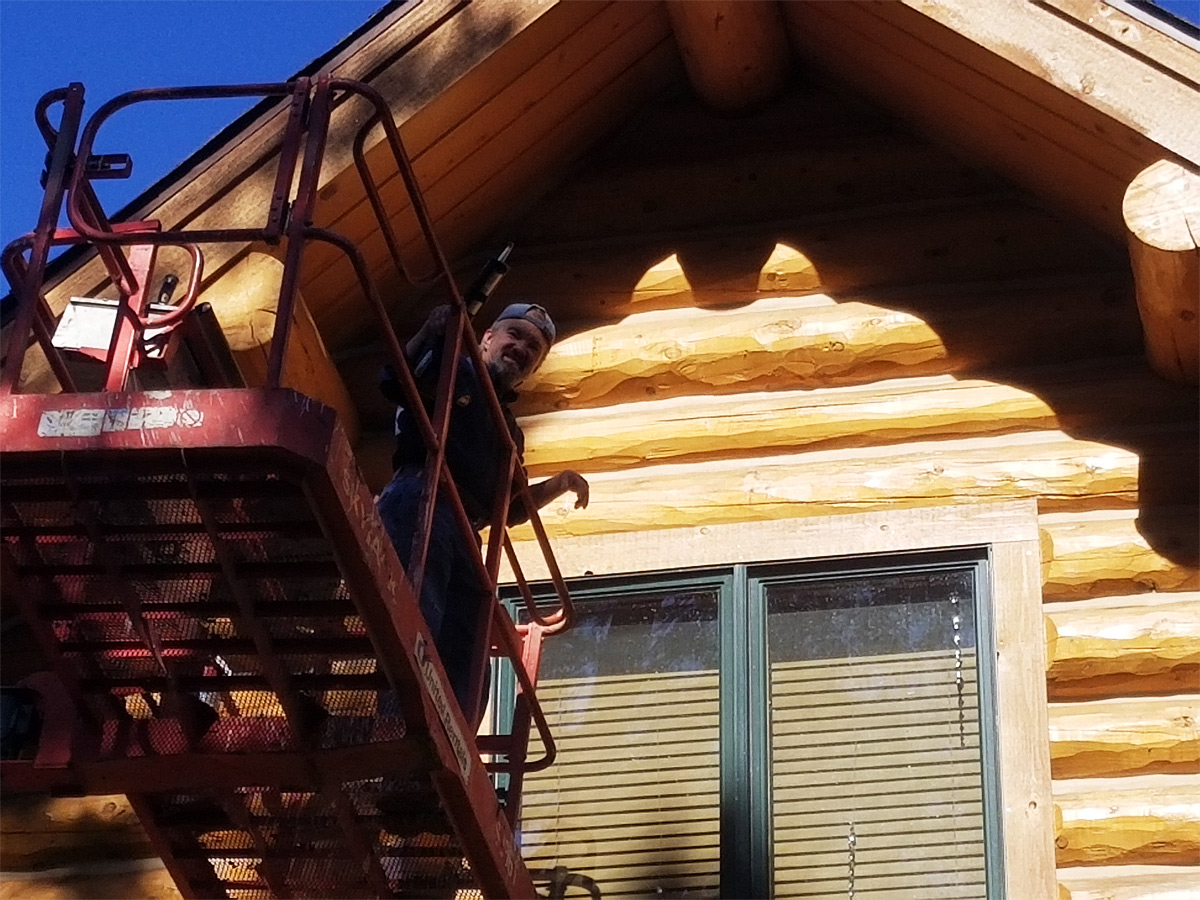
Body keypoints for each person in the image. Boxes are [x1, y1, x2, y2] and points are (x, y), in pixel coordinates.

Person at [376, 302, 588, 725]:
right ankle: (397, 727)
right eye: (515, 334)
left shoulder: (509, 434)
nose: (522, 348)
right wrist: (431, 331)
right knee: (419, 617)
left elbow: (508, 510)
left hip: (465, 529)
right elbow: (398, 379)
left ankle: (450, 754)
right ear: (488, 336)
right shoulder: (457, 369)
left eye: (534, 348)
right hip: (423, 496)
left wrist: (560, 483)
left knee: (470, 652)